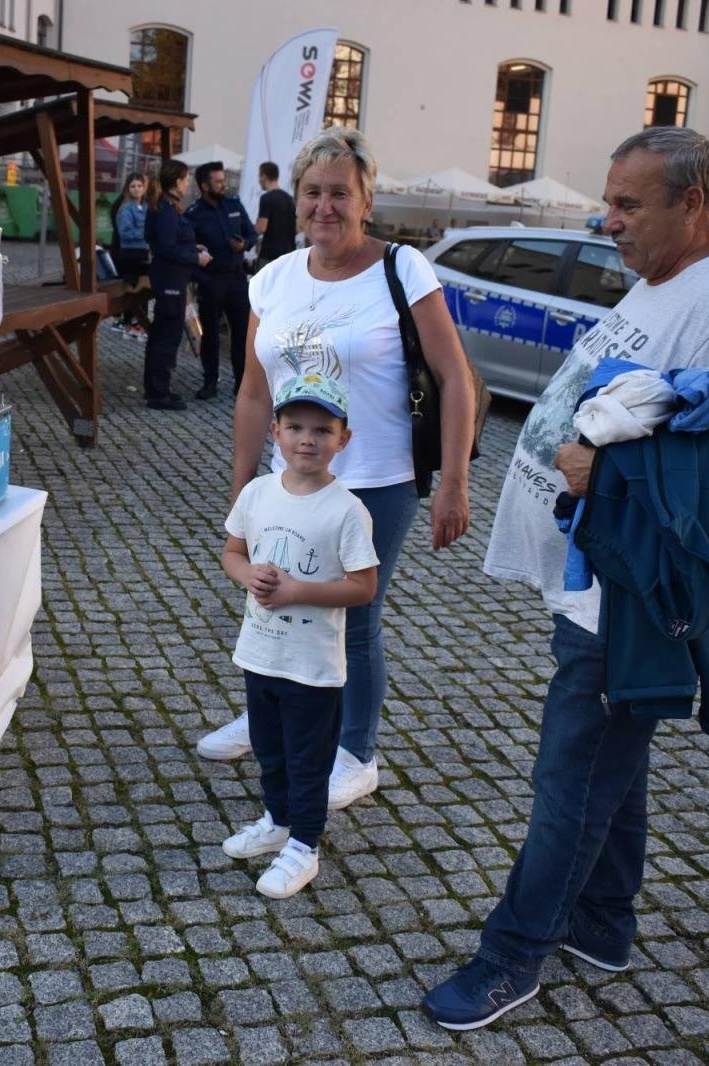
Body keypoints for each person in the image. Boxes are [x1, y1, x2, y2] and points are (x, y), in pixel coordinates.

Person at [421, 127, 709, 1031]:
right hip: (599, 573)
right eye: (608, 199)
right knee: (611, 758)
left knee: (573, 773)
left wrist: (609, 474)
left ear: (693, 205)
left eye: (628, 206)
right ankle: (605, 924)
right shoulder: (664, 276)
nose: (606, 219)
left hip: (629, 587)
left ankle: (512, 958)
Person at [198, 126, 477, 813]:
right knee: (268, 596)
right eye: (313, 193)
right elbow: (255, 392)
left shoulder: (403, 269)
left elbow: (455, 376)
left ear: (367, 199)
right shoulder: (274, 279)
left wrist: (454, 480)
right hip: (287, 479)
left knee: (353, 615)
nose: (326, 207)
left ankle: (356, 751)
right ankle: (268, 726)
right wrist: (243, 485)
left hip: (376, 479)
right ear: (297, 199)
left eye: (340, 194)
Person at [221, 372, 379, 899]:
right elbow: (232, 552)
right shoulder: (258, 493)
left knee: (308, 759)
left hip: (313, 666)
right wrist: (247, 577)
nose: (307, 439)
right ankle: (279, 820)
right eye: (295, 427)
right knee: (269, 749)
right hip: (260, 653)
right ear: (275, 431)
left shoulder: (347, 511)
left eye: (321, 430)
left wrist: (297, 592)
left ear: (343, 439)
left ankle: (304, 846)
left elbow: (363, 587)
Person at [185, 161, 259, 399]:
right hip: (211, 281)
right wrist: (200, 278)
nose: (223, 184)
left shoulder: (233, 204)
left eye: (223, 179)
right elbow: (187, 250)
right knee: (211, 336)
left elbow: (252, 233)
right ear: (205, 186)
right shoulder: (194, 215)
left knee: (242, 334)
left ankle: (241, 383)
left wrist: (245, 244)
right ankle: (210, 382)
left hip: (237, 279)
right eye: (218, 181)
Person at [144, 160, 213, 411]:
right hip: (169, 280)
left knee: (164, 335)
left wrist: (193, 248)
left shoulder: (169, 208)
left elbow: (172, 242)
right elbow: (166, 247)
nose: (187, 184)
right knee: (166, 337)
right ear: (176, 182)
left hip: (173, 278)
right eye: (185, 179)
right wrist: (196, 257)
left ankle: (158, 388)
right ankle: (158, 393)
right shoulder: (164, 210)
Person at [109, 172, 152, 337]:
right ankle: (130, 322)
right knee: (133, 288)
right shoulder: (125, 208)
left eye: (139, 186)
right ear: (128, 188)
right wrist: (145, 233)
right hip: (130, 253)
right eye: (133, 186)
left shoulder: (146, 206)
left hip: (143, 252)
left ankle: (137, 322)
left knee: (144, 288)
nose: (136, 189)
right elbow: (125, 232)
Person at [254, 161, 297, 271]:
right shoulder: (290, 199)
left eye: (259, 176)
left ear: (263, 176)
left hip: (269, 258)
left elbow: (261, 228)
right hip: (289, 258)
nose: (259, 180)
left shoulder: (266, 198)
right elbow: (297, 228)